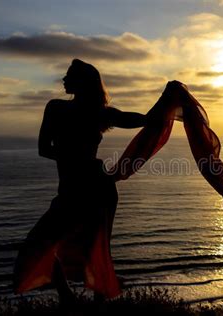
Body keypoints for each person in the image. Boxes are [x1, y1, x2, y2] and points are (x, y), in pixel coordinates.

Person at [13, 59, 148, 306]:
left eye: (69, 76)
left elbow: (136, 119)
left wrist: (167, 106)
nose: (63, 80)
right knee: (38, 244)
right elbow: (44, 149)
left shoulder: (100, 113)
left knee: (96, 249)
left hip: (97, 187)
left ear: (83, 82)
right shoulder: (55, 108)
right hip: (71, 188)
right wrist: (71, 156)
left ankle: (91, 305)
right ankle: (68, 298)